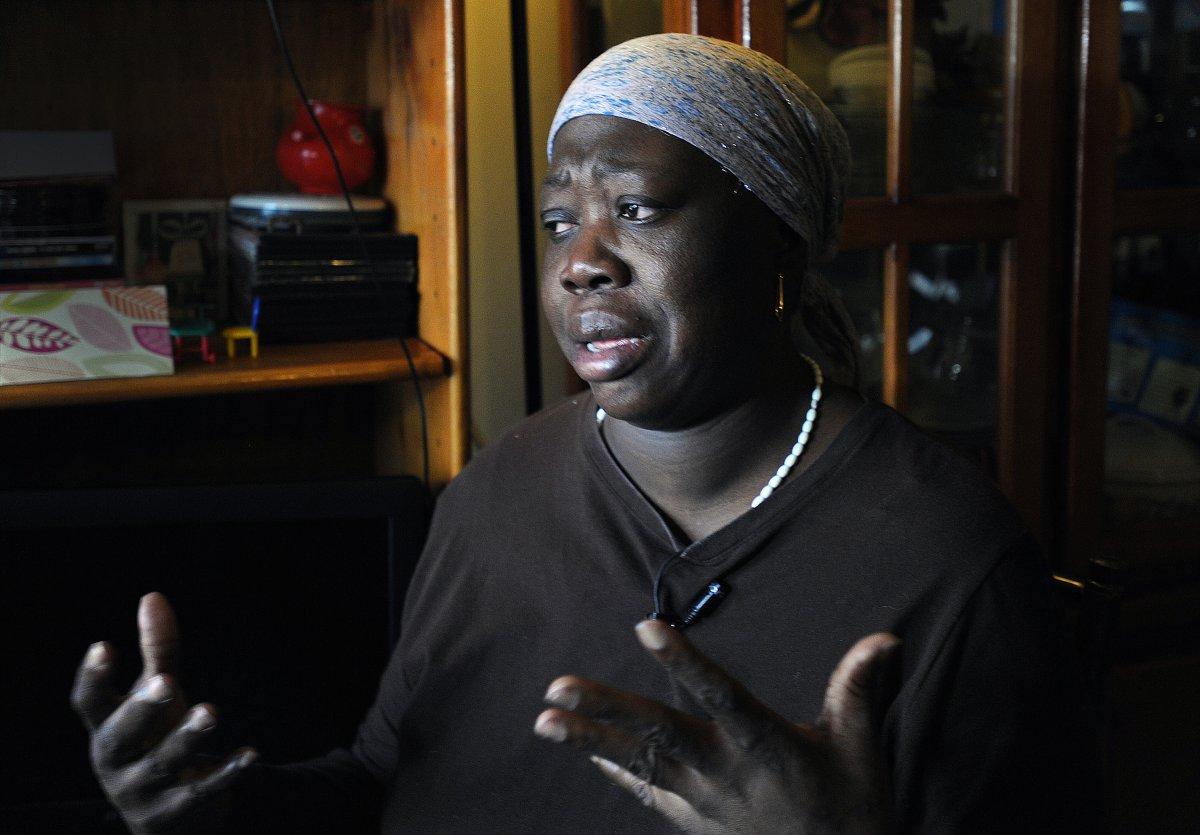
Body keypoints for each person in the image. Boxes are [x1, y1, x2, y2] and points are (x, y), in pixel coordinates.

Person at [71, 34, 1091, 833]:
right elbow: (382, 780)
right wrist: (219, 808)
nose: (580, 263)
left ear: (778, 246)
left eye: (637, 209)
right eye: (561, 221)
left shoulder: (950, 565)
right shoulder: (499, 486)